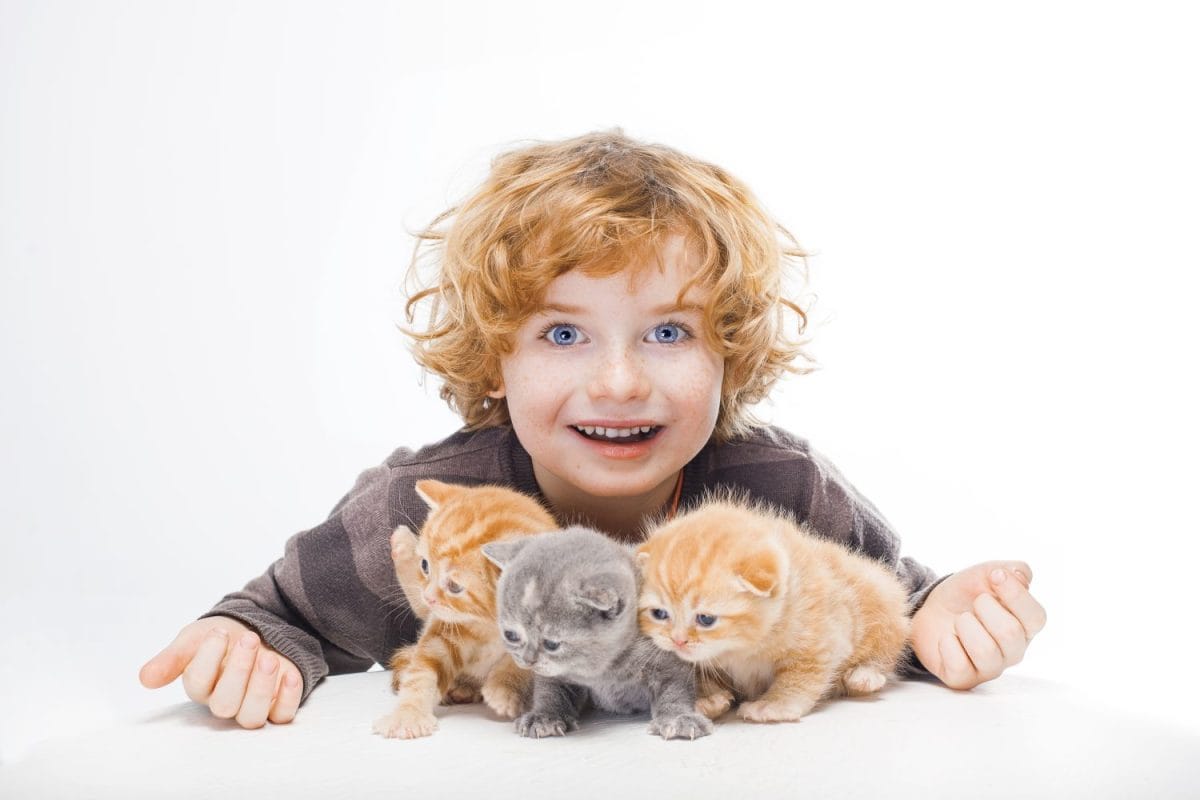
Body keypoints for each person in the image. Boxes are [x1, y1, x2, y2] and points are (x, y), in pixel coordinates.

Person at [138, 131, 1046, 730]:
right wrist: (247, 646)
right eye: (563, 333)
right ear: (497, 360)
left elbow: (893, 603)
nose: (618, 381)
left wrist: (950, 619)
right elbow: (280, 614)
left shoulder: (778, 494)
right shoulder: (429, 519)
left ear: (729, 354)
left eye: (669, 331)